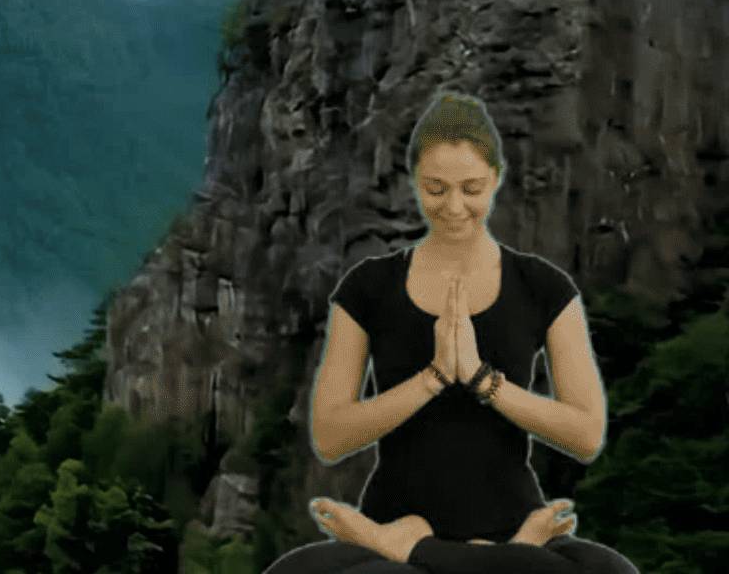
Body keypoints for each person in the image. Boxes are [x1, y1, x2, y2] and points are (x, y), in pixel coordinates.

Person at [262, 91, 638, 574]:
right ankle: (435, 554)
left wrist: (484, 380)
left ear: (497, 181)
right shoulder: (369, 287)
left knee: (611, 572)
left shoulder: (543, 286)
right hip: (400, 522)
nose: (454, 206)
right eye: (436, 189)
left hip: (511, 527)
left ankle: (436, 552)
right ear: (415, 182)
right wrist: (434, 378)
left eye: (472, 188)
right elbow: (330, 436)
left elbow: (586, 434)